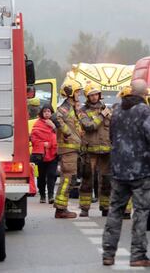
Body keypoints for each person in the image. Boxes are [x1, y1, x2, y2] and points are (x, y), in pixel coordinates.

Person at [102, 80, 150, 267]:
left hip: (118, 170)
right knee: (140, 213)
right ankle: (138, 255)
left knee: (115, 211)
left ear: (131, 91)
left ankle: (108, 254)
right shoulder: (145, 111)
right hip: (141, 170)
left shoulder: (117, 110)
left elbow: (111, 137)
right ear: (145, 94)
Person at [78, 83, 112, 217]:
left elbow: (113, 127)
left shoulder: (107, 109)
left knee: (106, 180)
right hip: (90, 150)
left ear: (99, 95)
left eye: (96, 94)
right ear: (87, 97)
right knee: (87, 179)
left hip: (106, 151)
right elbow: (89, 126)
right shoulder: (83, 111)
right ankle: (84, 208)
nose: (94, 97)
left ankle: (105, 207)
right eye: (91, 95)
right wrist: (102, 116)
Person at [53, 80, 83, 219]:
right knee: (67, 179)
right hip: (68, 150)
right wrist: (67, 132)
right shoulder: (65, 107)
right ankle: (61, 209)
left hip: (72, 150)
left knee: (70, 179)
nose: (79, 94)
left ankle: (62, 208)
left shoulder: (72, 108)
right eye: (77, 92)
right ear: (70, 93)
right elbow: (55, 118)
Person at [30, 104, 58, 204]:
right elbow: (33, 139)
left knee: (52, 175)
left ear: (52, 113)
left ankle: (51, 196)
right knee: (41, 176)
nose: (47, 113)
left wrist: (53, 126)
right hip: (41, 155)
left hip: (53, 154)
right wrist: (43, 144)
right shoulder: (37, 124)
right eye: (45, 111)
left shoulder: (56, 123)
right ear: (42, 113)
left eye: (49, 111)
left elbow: (61, 136)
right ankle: (42, 195)